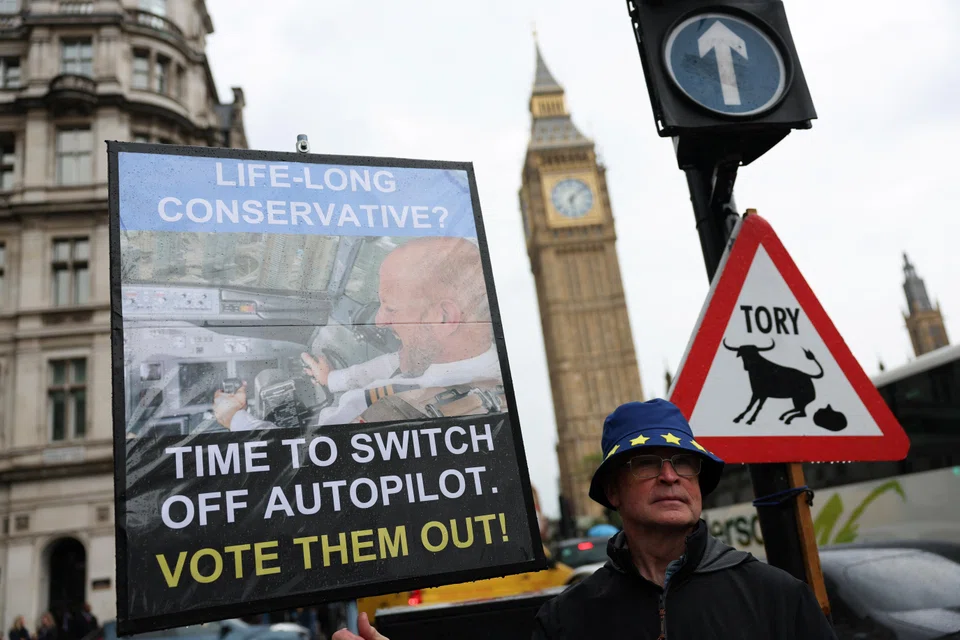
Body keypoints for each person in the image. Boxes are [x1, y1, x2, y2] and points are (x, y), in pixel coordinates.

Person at [532, 398, 838, 638]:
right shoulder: (567, 619)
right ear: (613, 491)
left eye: (684, 462)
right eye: (647, 463)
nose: (670, 476)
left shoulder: (779, 597)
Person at [212, 236, 502, 430]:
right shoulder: (484, 372)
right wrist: (332, 380)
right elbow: (393, 363)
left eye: (391, 308)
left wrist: (233, 416)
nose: (378, 322)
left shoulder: (389, 411)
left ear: (443, 318)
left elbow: (297, 455)